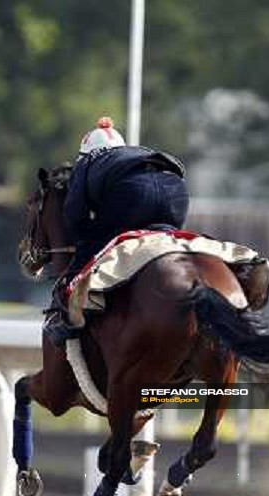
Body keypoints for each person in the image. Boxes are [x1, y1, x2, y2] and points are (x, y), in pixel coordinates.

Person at [44, 116, 190, 347]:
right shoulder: (136, 152)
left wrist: (84, 239)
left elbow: (74, 214)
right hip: (176, 190)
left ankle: (70, 317)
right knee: (165, 244)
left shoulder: (87, 161)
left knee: (91, 244)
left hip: (133, 193)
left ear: (85, 152)